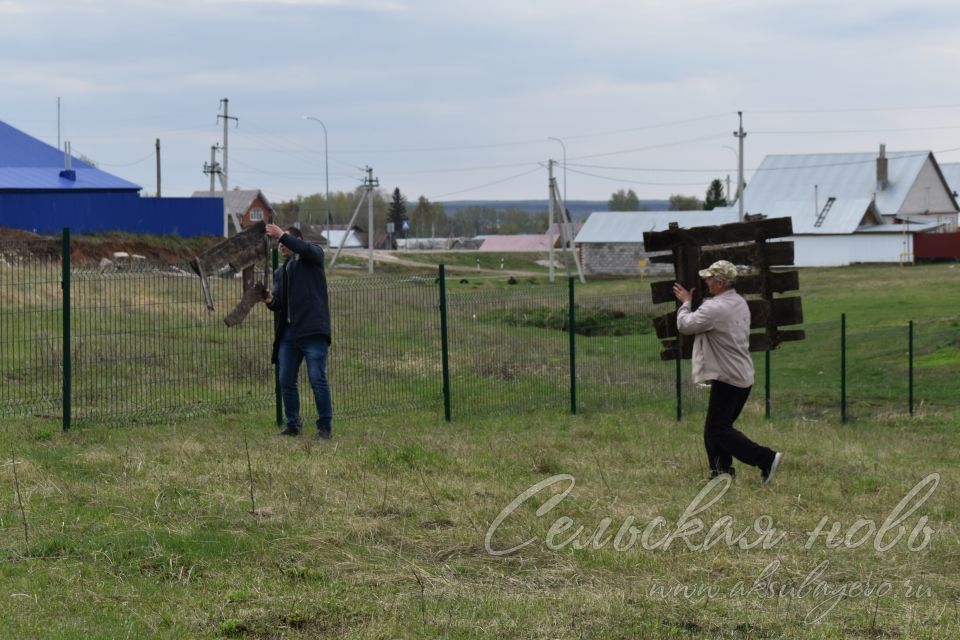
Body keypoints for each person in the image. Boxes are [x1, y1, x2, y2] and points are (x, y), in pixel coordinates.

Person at [672, 260, 782, 485]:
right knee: (714, 428)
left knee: (719, 430)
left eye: (710, 278)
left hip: (728, 378)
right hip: (742, 375)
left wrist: (685, 303)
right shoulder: (738, 301)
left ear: (720, 283)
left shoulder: (714, 308)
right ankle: (721, 472)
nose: (706, 281)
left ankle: (766, 459)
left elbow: (686, 326)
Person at [263, 223, 333, 439]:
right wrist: (268, 299)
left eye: (285, 241)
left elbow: (305, 249)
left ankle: (324, 428)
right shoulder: (281, 271)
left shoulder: (313, 256)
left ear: (299, 240)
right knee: (285, 380)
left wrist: (282, 234)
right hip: (289, 335)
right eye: (279, 243)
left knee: (316, 379)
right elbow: (278, 304)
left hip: (312, 331)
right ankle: (293, 424)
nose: (281, 245)